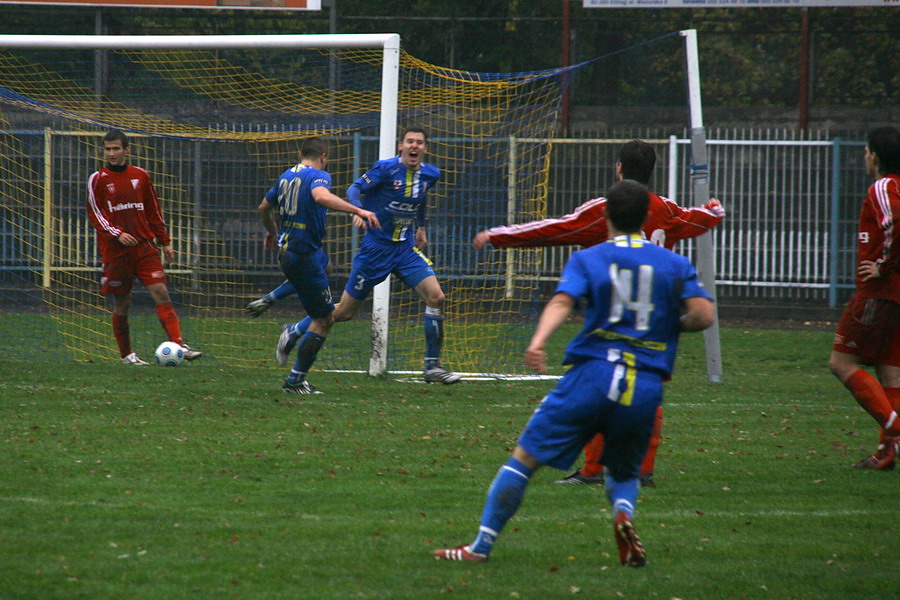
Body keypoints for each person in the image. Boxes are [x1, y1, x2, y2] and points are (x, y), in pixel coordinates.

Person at [433, 179, 715, 567]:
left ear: (607, 215)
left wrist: (538, 341)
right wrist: (668, 325)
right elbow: (703, 315)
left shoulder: (591, 257)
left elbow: (563, 300)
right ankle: (623, 514)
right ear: (646, 217)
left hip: (593, 375)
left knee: (524, 460)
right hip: (645, 385)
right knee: (625, 468)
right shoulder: (674, 263)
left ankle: (480, 546)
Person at [473, 139, 725, 487]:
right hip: (653, 323)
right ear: (651, 172)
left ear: (619, 169)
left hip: (611, 319)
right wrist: (714, 210)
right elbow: (696, 221)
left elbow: (556, 229)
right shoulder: (666, 210)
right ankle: (640, 471)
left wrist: (499, 236)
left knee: (596, 391)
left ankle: (593, 470)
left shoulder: (606, 211)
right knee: (647, 393)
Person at [273, 126, 462, 384]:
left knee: (437, 297)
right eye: (409, 142)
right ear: (400, 146)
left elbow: (421, 198)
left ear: (426, 148)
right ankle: (295, 330)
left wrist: (421, 227)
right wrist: (358, 211)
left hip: (405, 250)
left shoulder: (431, 174)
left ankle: (432, 367)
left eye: (419, 143)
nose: (414, 146)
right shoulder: (384, 169)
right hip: (375, 251)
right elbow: (354, 189)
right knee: (341, 314)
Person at [259, 137, 379, 394]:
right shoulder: (319, 175)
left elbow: (263, 207)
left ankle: (291, 328)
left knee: (327, 268)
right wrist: (358, 211)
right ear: (323, 156)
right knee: (324, 319)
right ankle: (294, 380)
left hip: (289, 252)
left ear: (300, 153)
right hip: (303, 255)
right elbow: (320, 197)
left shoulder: (286, 175)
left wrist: (271, 231)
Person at [87, 129, 202, 365]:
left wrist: (165, 241)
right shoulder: (97, 179)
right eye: (108, 149)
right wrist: (118, 234)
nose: (111, 153)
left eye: (116, 148)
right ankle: (127, 355)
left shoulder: (141, 175)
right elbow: (96, 215)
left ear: (126, 150)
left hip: (144, 247)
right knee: (123, 302)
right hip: (116, 251)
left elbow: (153, 210)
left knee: (161, 292)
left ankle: (179, 347)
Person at [827, 126, 900, 470]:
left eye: (866, 150)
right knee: (891, 373)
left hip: (879, 293)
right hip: (896, 294)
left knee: (841, 363)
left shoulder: (885, 186)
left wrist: (884, 267)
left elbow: (897, 222)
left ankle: (896, 431)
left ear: (876, 155)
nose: (864, 156)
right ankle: (888, 453)